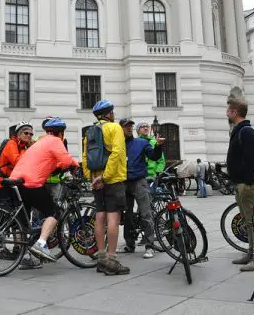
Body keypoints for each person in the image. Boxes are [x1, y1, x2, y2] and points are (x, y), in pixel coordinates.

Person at [10, 118, 79, 262]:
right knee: (54, 212)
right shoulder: (55, 141)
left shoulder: (40, 141)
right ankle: (41, 243)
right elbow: (65, 161)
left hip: (17, 181)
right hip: (32, 183)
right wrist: (75, 165)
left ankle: (27, 258)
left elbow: (50, 161)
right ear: (61, 133)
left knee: (25, 223)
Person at [82, 100, 129, 275]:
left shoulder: (90, 131)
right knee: (113, 218)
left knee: (100, 216)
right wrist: (106, 176)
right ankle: (112, 259)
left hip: (96, 179)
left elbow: (85, 157)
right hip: (113, 179)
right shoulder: (114, 128)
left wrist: (92, 177)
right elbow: (117, 153)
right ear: (109, 113)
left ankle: (101, 258)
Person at [226, 97, 254, 272]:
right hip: (240, 184)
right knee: (247, 222)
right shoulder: (239, 130)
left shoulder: (246, 131)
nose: (226, 113)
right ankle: (251, 252)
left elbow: (251, 160)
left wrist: (247, 182)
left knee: (253, 221)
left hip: (246, 185)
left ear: (234, 112)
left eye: (228, 111)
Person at [118, 118, 162, 259]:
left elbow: (154, 156)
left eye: (130, 126)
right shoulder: (118, 145)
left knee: (146, 213)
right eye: (126, 126)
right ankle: (129, 244)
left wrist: (159, 146)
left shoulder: (142, 142)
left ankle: (150, 246)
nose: (129, 128)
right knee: (127, 215)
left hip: (139, 182)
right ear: (121, 129)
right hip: (124, 183)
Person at [0, 123, 32, 262]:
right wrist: (30, 150)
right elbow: (17, 161)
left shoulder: (22, 147)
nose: (29, 136)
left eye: (31, 134)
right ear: (18, 134)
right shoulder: (11, 144)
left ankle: (17, 247)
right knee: (4, 217)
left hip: (12, 185)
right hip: (1, 185)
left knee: (17, 217)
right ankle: (0, 249)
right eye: (26, 133)